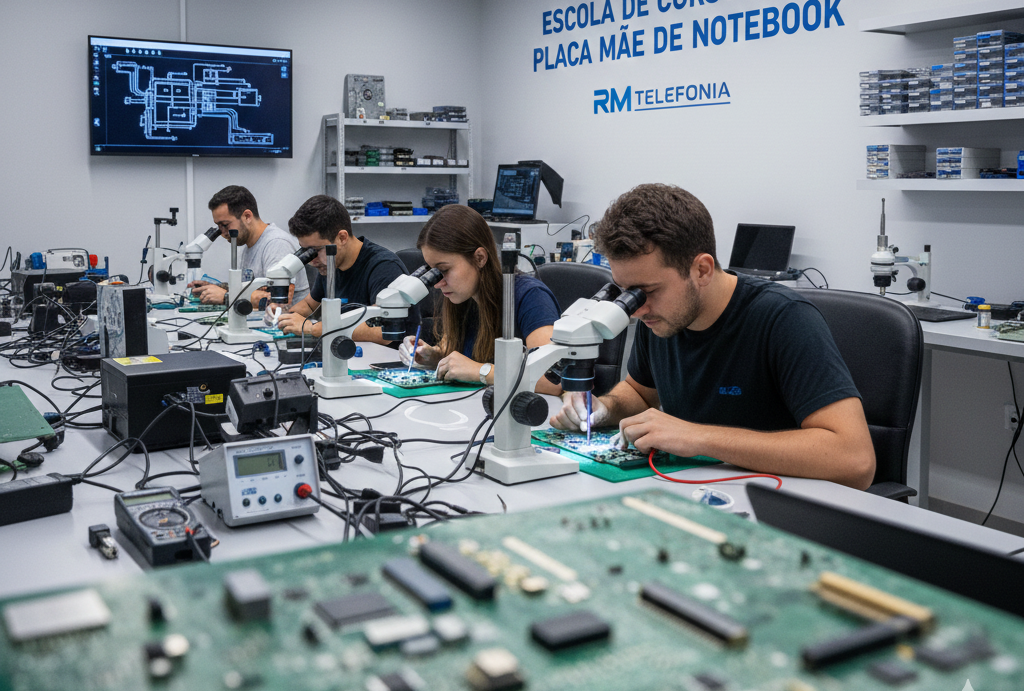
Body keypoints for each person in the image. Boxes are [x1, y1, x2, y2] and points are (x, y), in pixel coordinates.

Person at [551, 184, 876, 490]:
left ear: (702, 270)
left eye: (646, 292)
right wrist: (603, 409)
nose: (636, 310)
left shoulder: (784, 319)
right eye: (627, 294)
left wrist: (699, 438)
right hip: (698, 491)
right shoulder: (660, 316)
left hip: (780, 503)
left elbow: (855, 460)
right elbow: (638, 391)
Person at [398, 204, 562, 393]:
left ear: (480, 258)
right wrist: (434, 356)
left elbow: (552, 380)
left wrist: (481, 372)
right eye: (432, 272)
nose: (437, 283)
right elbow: (456, 347)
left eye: (443, 270)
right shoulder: (464, 296)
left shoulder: (531, 298)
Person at [275, 195, 418, 345]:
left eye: (315, 250)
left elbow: (383, 332)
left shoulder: (384, 267)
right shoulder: (330, 264)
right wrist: (284, 317)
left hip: (385, 360)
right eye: (305, 252)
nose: (312, 260)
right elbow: (310, 304)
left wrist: (313, 328)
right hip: (349, 352)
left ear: (342, 238)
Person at [189, 185, 308, 307]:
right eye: (219, 227)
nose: (223, 233)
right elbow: (249, 290)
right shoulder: (248, 246)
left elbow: (279, 303)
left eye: (225, 225)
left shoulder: (276, 244)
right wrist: (216, 289)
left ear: (247, 216)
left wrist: (226, 296)